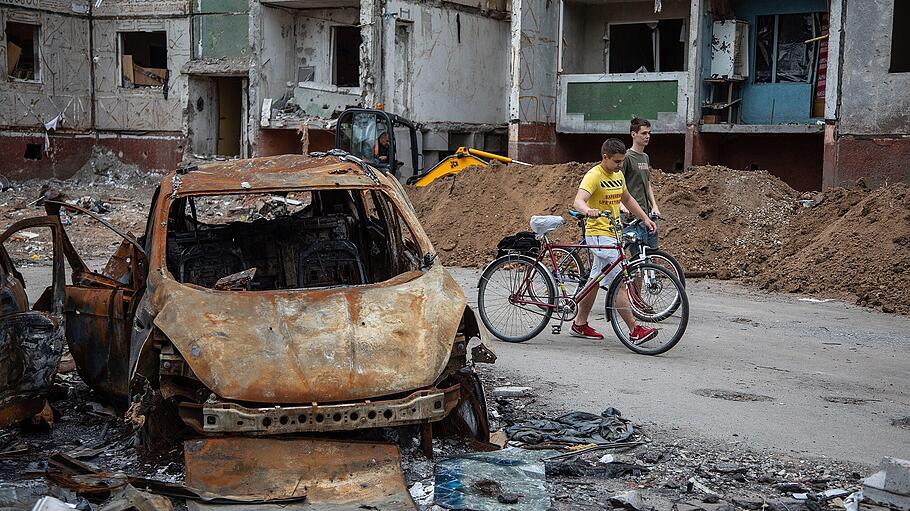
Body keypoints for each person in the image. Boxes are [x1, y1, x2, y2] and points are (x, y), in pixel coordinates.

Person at [572, 138, 658, 344]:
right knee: (620, 282)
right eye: (617, 161)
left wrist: (645, 218)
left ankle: (579, 323)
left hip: (613, 233)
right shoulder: (593, 175)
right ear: (605, 157)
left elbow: (626, 199)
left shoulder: (618, 175)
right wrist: (587, 211)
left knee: (594, 280)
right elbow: (578, 200)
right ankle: (634, 330)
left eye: (622, 161)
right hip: (598, 234)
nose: (621, 165)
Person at [620, 117, 660, 253]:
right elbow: (618, 184)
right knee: (637, 256)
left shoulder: (645, 157)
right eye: (643, 133)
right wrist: (622, 206)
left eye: (649, 133)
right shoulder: (626, 158)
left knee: (651, 253)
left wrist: (654, 205)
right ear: (633, 134)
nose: (647, 136)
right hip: (632, 216)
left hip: (647, 213)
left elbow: (647, 182)